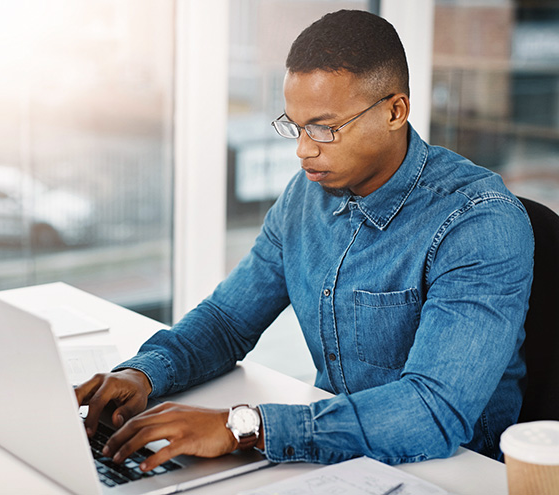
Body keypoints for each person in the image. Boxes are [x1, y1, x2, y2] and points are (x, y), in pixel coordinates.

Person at [75, 9, 533, 471]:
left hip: (449, 471)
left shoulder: (478, 223)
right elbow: (227, 321)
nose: (303, 150)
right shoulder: (306, 195)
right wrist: (144, 373)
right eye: (295, 125)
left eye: (323, 128)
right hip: (336, 459)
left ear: (395, 111)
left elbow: (433, 410)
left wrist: (244, 426)